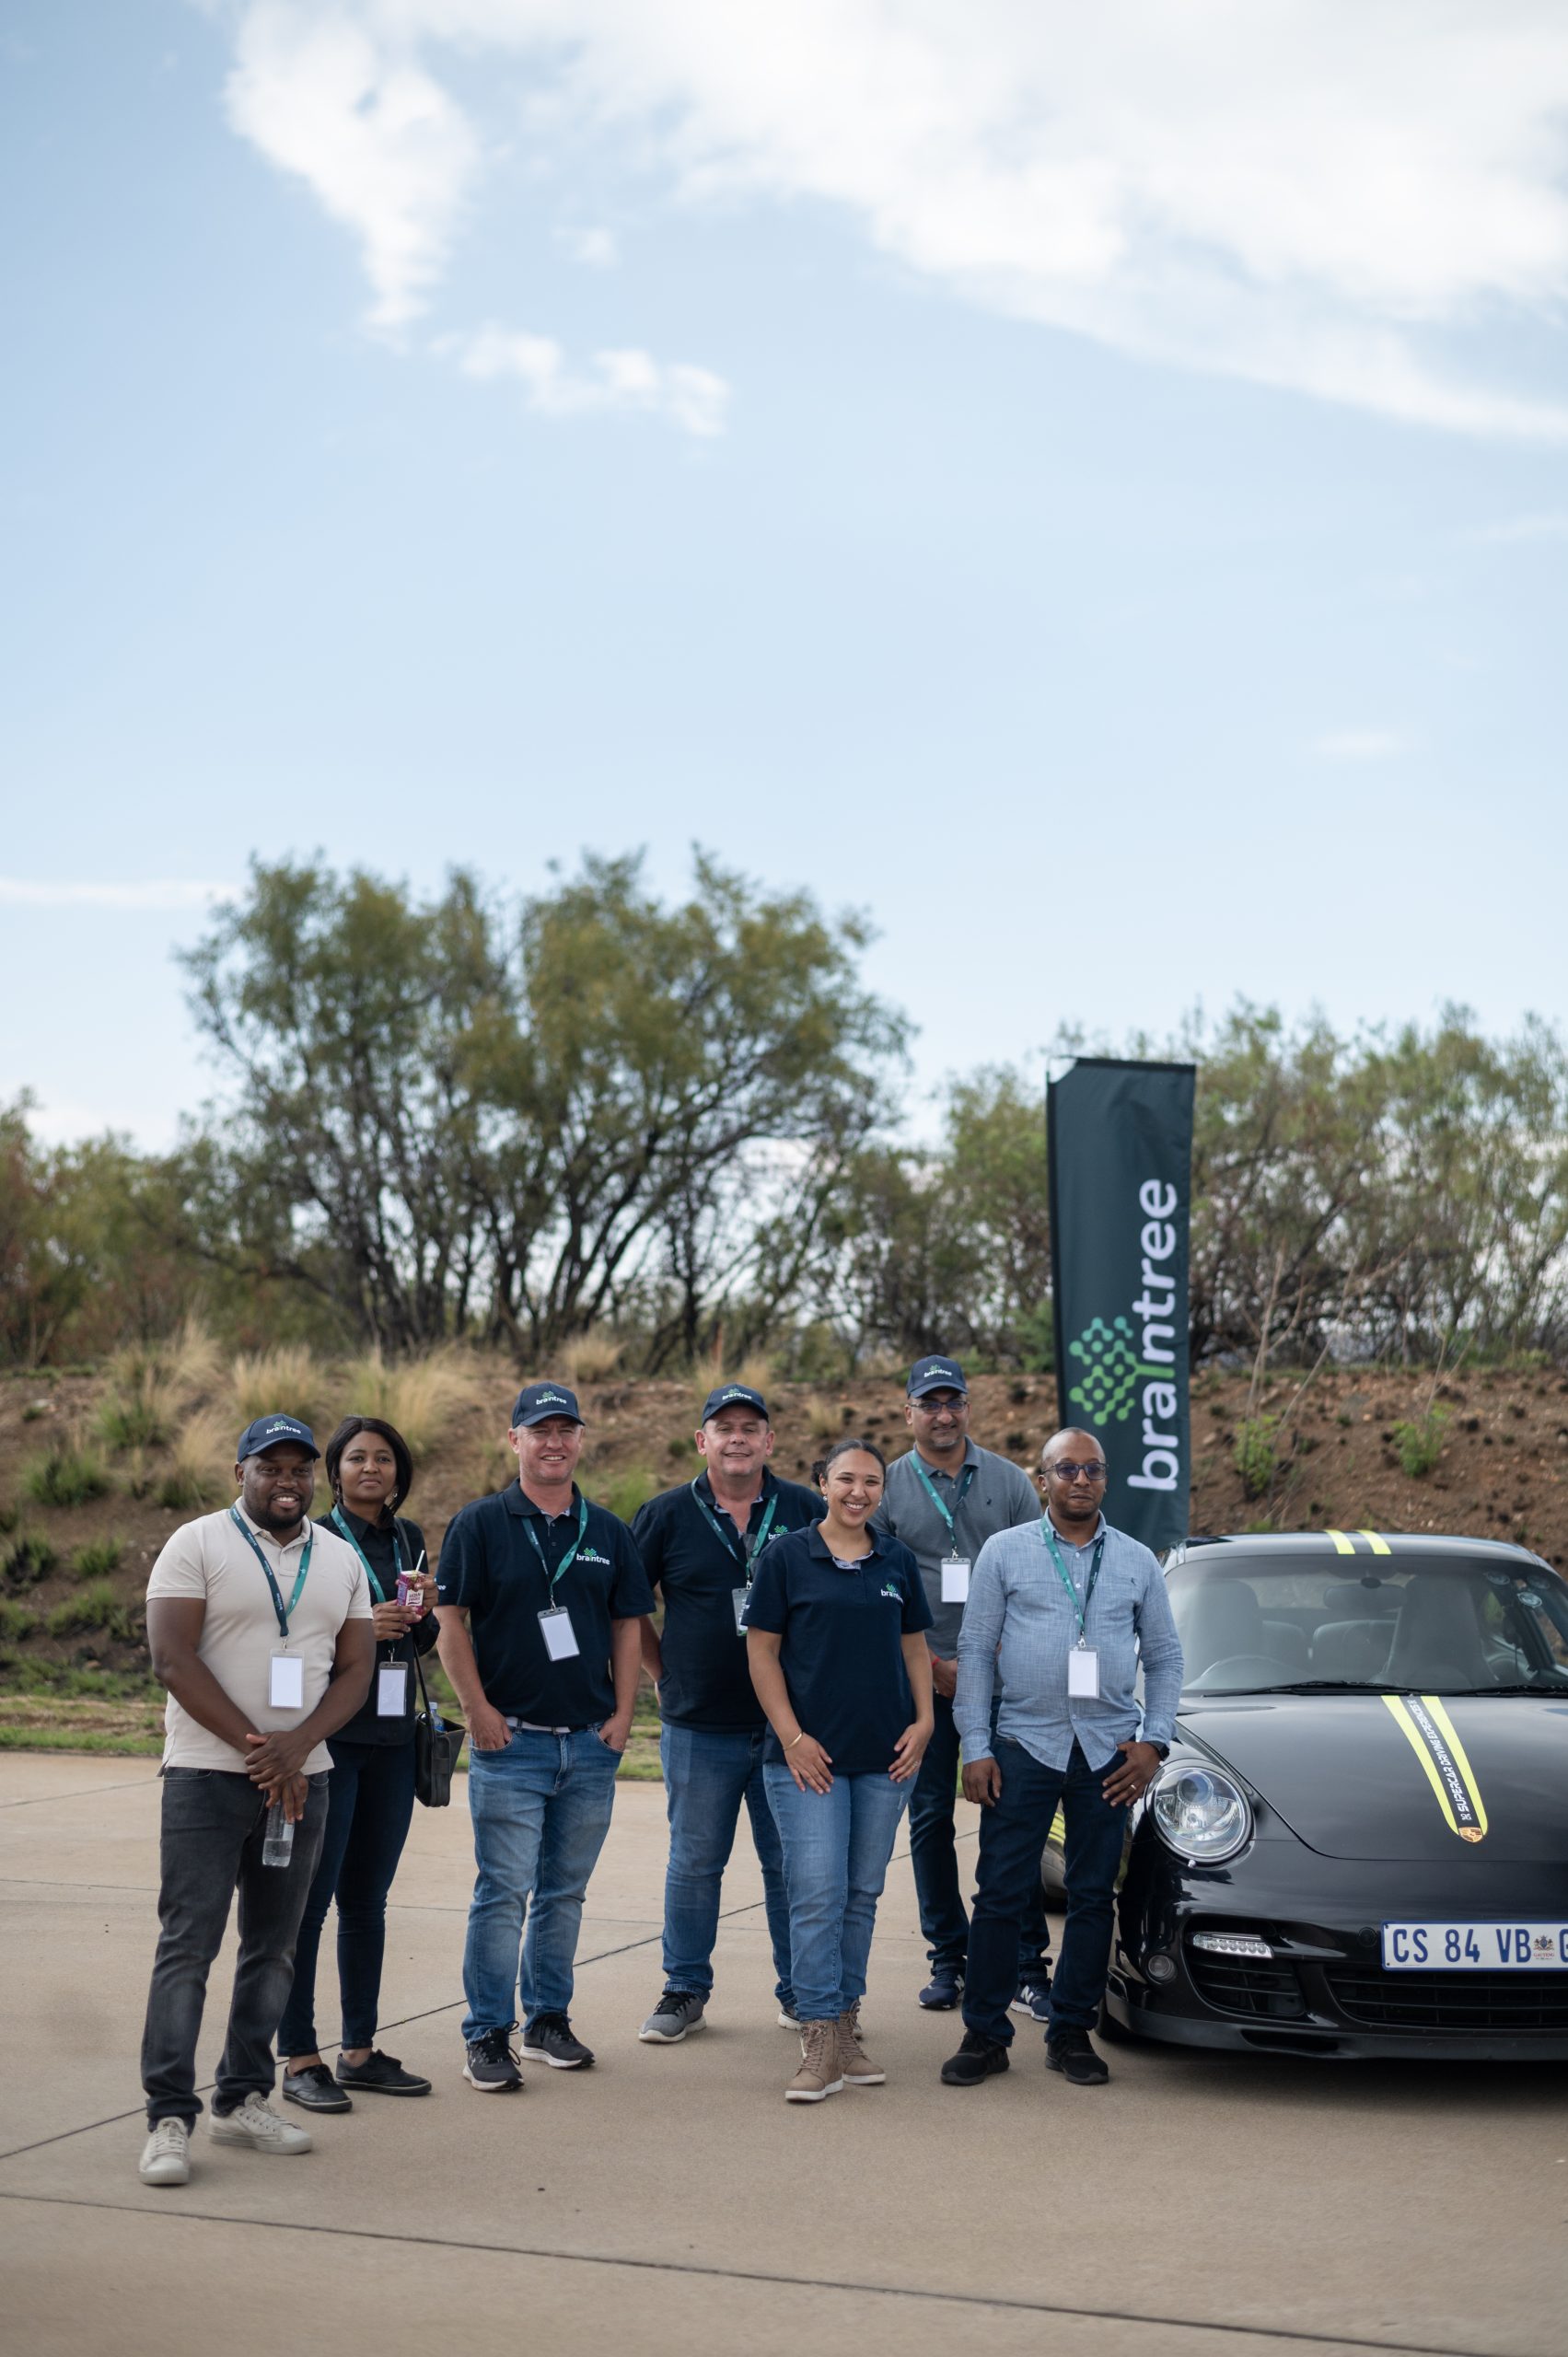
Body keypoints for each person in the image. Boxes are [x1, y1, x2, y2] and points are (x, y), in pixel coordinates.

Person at [136, 1415, 375, 2188]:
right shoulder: (196, 1543)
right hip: (207, 1777)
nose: (288, 1481)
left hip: (305, 1779)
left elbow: (356, 1671)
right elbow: (171, 1658)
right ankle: (170, 2117)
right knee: (188, 1946)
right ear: (239, 1471)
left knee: (273, 1946)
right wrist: (259, 1749)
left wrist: (296, 1749)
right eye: (271, 1467)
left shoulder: (338, 1557)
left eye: (301, 1470)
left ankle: (240, 2099)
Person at [941, 1426, 1184, 2090]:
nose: (1080, 1480)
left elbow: (1163, 1658)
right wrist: (977, 1747)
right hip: (1021, 1746)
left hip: (1107, 1755)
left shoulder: (1136, 1560)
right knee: (998, 1896)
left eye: (1092, 1470)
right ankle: (984, 2034)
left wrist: (1153, 1742)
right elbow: (975, 1653)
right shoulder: (1004, 1552)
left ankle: (1071, 2032)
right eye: (1065, 1469)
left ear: (1105, 1480)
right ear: (1040, 1478)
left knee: (1090, 1898)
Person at [436, 1382, 654, 2090]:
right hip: (512, 1744)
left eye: (565, 1430)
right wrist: (476, 1712)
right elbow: (448, 1623)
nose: (553, 1442)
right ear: (515, 1441)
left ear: (579, 1441)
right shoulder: (480, 1523)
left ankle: (547, 2020)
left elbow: (628, 1627)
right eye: (539, 1431)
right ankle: (487, 2033)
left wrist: (623, 1717)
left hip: (589, 1744)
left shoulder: (607, 1530)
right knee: (502, 1893)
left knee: (564, 1891)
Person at [745, 1437, 935, 2104]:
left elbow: (914, 1649)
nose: (858, 1492)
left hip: (885, 1759)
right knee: (817, 1894)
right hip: (807, 1762)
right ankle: (817, 2032)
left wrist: (924, 1722)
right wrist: (791, 1736)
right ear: (822, 1483)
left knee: (860, 1895)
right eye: (846, 1480)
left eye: (872, 1483)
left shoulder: (895, 1560)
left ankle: (846, 2024)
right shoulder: (787, 1556)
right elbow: (761, 1653)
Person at [633, 1384, 823, 2044]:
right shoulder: (664, 1514)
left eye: (750, 1427)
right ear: (701, 1441)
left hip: (788, 1731)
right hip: (697, 1725)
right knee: (693, 1862)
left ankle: (801, 1992)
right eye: (724, 1427)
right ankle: (684, 1989)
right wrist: (661, 1672)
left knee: (790, 1864)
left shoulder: (806, 1508)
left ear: (769, 1441)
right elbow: (629, 1607)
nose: (737, 1438)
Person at [875, 1354, 1051, 2016]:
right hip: (922, 1683)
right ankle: (948, 1958)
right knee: (928, 1822)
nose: (942, 1415)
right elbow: (881, 1592)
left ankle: (1026, 1965)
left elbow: (1038, 1579)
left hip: (1006, 1683)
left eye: (953, 1403)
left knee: (1012, 1823)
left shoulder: (1008, 1483)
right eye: (930, 1404)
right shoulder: (886, 1487)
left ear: (967, 1408)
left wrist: (995, 1656)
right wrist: (932, 1666)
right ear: (909, 1412)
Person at [277, 1415, 440, 2111]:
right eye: (355, 1459)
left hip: (394, 1740)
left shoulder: (409, 1540)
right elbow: (287, 1628)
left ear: (398, 1474)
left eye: (383, 1459)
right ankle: (299, 2056)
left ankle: (360, 2050)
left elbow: (421, 1640)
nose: (370, 1469)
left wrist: (422, 1613)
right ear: (334, 1472)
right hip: (329, 1740)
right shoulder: (309, 1542)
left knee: (366, 1902)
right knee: (307, 1906)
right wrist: (358, 1627)